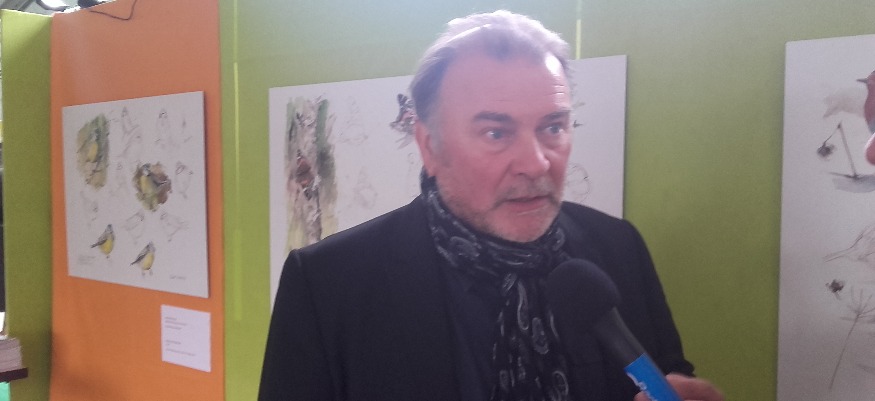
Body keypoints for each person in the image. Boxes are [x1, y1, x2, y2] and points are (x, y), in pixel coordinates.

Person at [259, 10, 723, 401]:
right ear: (430, 146)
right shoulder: (328, 284)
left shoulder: (618, 247)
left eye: (554, 127)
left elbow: (662, 376)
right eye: (496, 132)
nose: (536, 162)